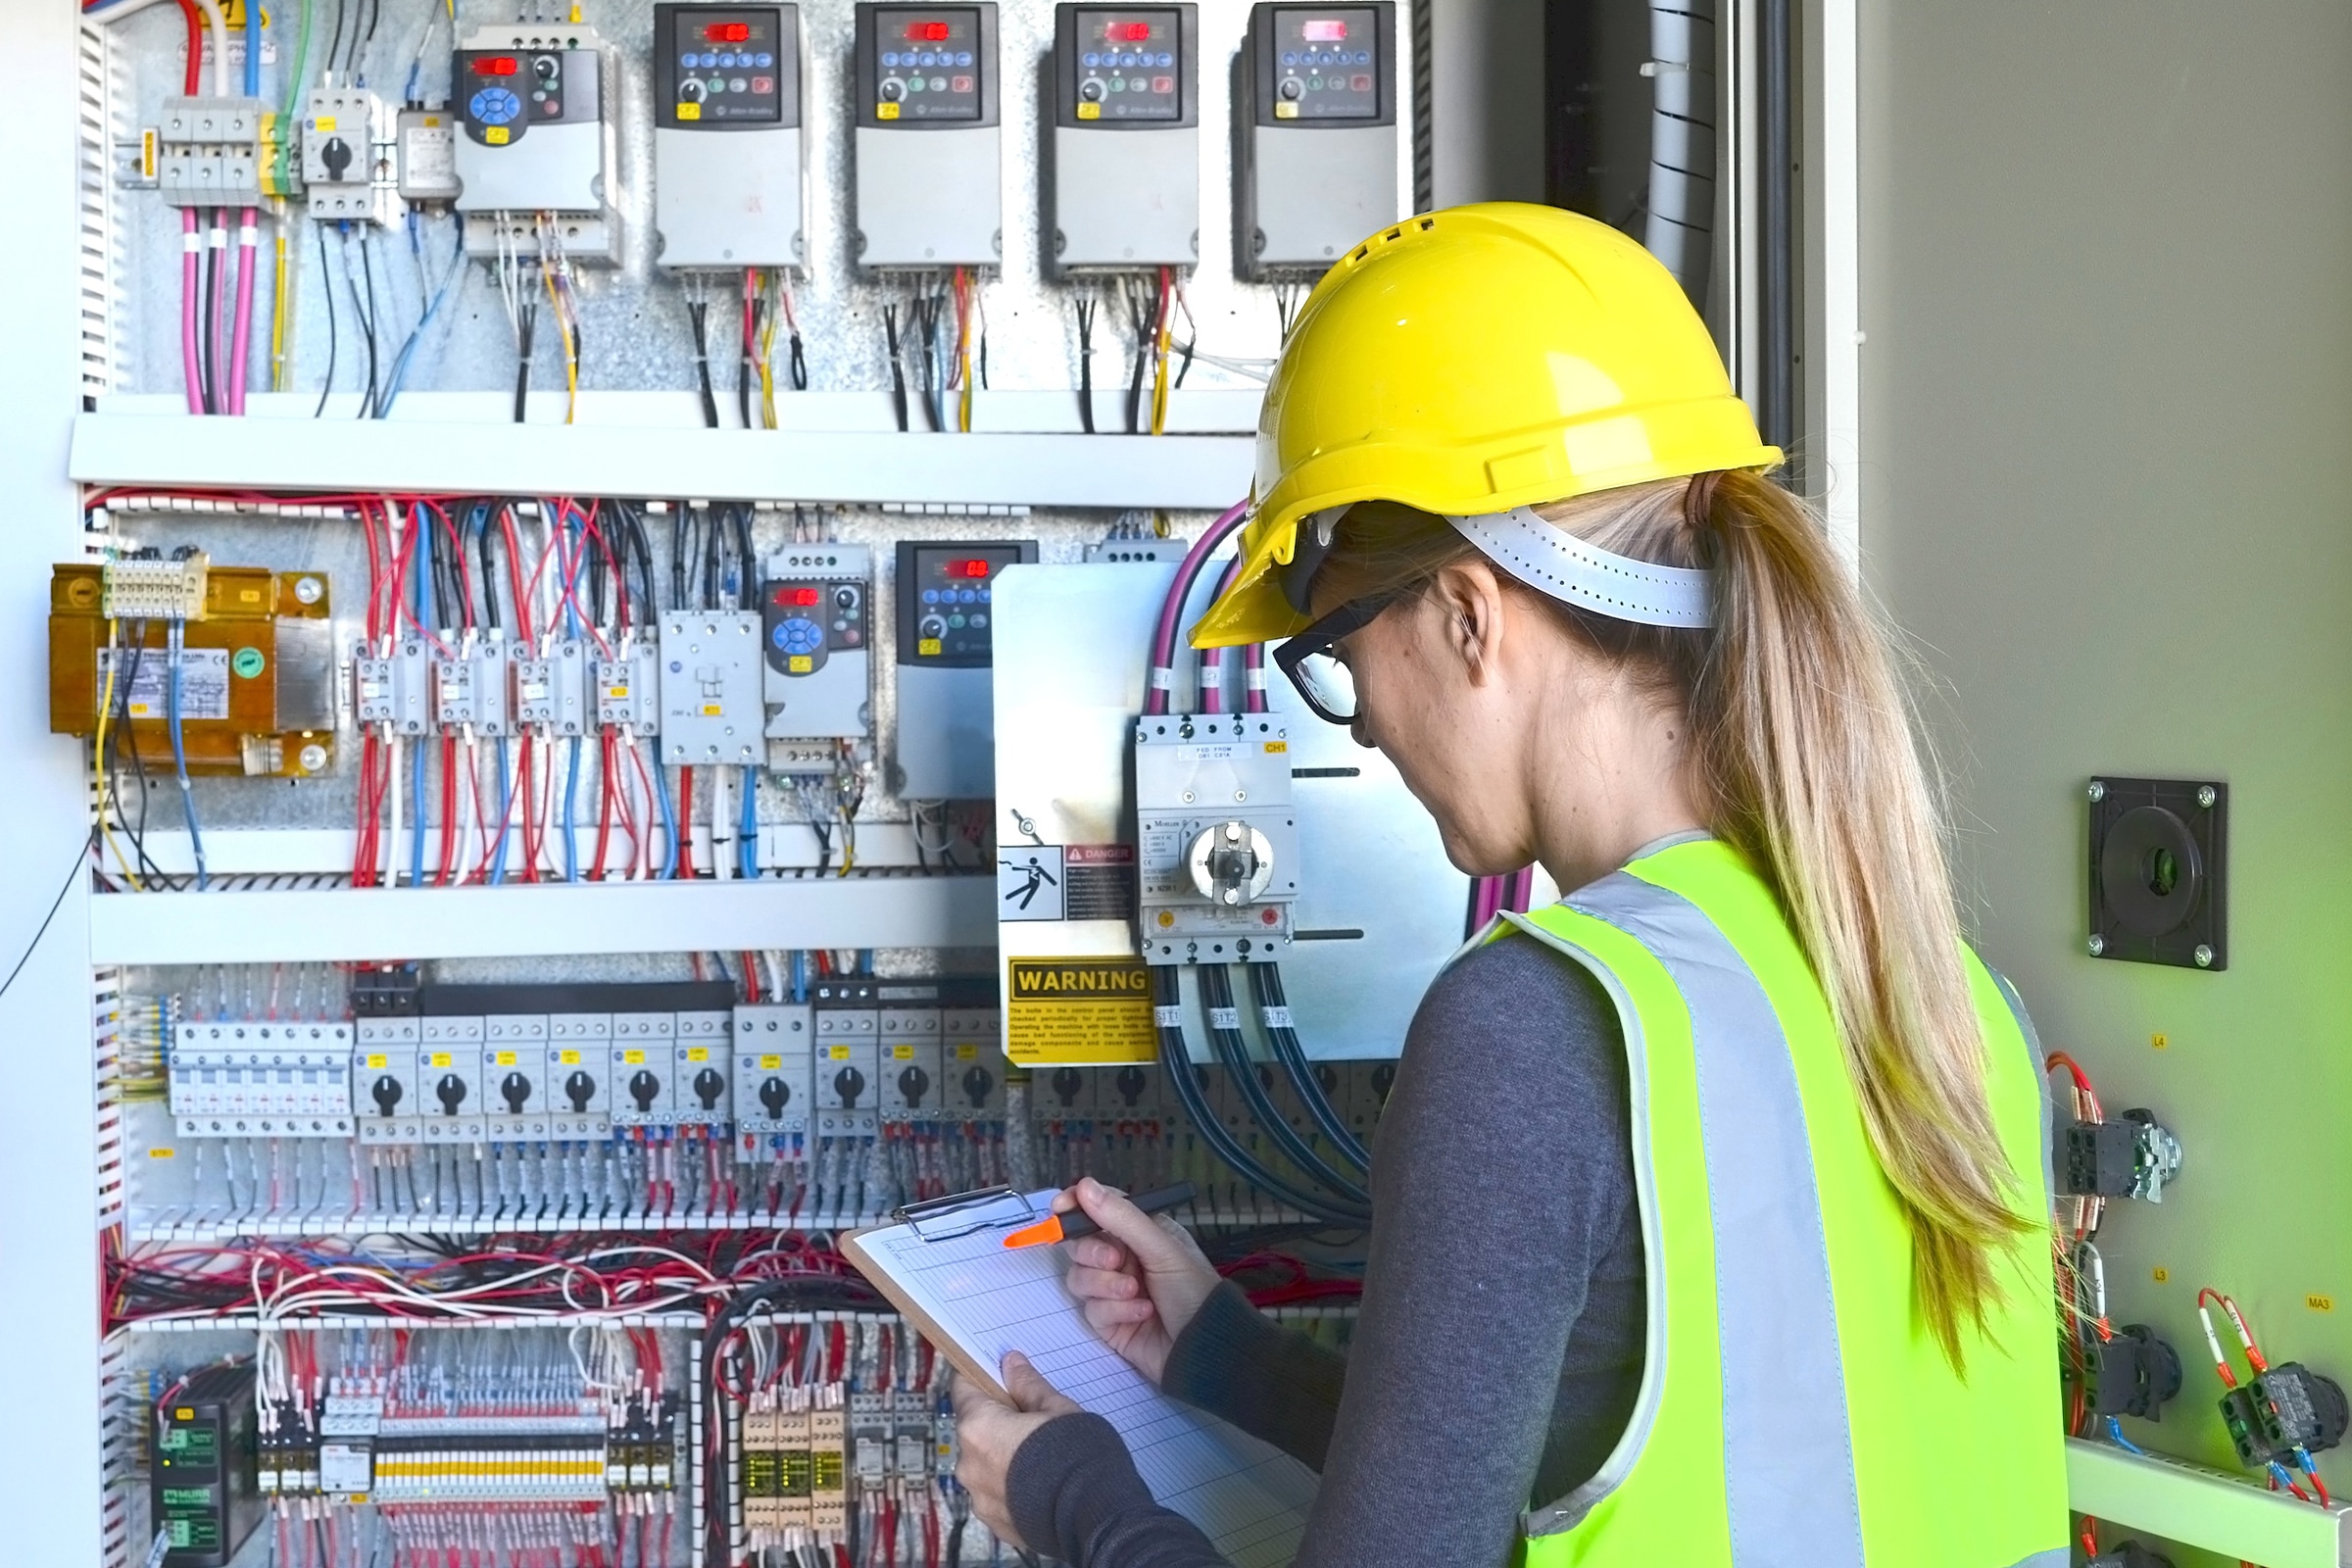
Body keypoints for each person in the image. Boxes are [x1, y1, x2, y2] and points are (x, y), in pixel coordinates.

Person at [951, 202, 2067, 1567]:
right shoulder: (1961, 1009)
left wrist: (1073, 1495)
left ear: (1469, 614)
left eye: (1339, 656)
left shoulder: (1534, 1030)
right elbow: (1620, 1445)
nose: (1357, 724)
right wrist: (1221, 1354)